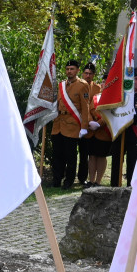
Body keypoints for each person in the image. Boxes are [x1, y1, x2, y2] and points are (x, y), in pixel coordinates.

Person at [50, 59, 91, 190]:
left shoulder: (82, 85)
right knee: (57, 154)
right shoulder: (61, 84)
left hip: (72, 125)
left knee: (70, 156)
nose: (69, 71)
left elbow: (85, 108)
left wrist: (84, 127)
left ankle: (69, 181)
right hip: (58, 124)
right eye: (67, 69)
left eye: (72, 69)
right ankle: (57, 179)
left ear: (78, 70)